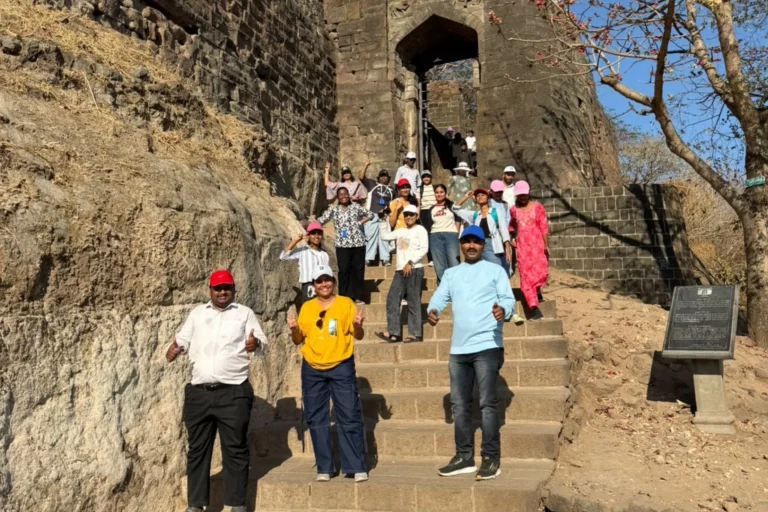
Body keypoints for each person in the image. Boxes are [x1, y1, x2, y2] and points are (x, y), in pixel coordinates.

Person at [166, 270, 267, 512]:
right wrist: (174, 349)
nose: (223, 292)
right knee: (198, 450)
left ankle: (236, 504)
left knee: (235, 448)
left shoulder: (245, 314)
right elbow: (181, 341)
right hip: (199, 393)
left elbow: (261, 342)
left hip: (233, 392)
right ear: (209, 290)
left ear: (234, 290)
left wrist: (255, 344)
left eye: (227, 288)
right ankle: (195, 505)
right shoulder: (197, 314)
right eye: (218, 288)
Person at [426, 226, 514, 481]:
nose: (472, 246)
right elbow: (440, 297)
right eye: (467, 242)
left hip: (487, 345)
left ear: (483, 244)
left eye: (476, 241)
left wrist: (503, 311)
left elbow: (507, 300)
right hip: (459, 349)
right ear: (461, 245)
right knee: (460, 405)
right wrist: (433, 309)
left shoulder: (495, 271)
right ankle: (464, 457)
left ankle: (490, 458)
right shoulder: (452, 274)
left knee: (487, 404)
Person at [287, 265, 368, 483]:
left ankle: (355, 465)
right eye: (320, 281)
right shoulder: (307, 307)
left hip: (341, 365)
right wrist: (294, 329)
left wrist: (358, 326)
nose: (324, 284)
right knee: (316, 418)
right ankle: (324, 467)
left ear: (333, 281)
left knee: (349, 414)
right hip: (312, 367)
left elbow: (357, 335)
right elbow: (298, 339)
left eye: (328, 280)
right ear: (313, 285)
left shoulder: (345, 304)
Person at [375, 204, 429, 343]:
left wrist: (410, 262)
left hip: (414, 268)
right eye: (406, 215)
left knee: (413, 300)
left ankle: (415, 333)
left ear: (417, 216)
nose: (409, 217)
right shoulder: (400, 231)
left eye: (411, 214)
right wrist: (382, 221)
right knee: (392, 299)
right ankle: (394, 333)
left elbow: (424, 249)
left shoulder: (420, 229)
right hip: (400, 270)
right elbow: (385, 236)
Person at [317, 188, 375, 305]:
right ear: (337, 197)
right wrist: (311, 228)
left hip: (358, 243)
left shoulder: (355, 207)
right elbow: (321, 220)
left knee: (358, 271)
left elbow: (371, 215)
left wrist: (360, 222)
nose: (343, 196)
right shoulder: (334, 210)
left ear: (349, 195)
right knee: (344, 270)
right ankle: (344, 297)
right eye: (341, 194)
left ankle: (358, 297)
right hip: (342, 245)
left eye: (345, 194)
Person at [509, 181, 550, 321]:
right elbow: (512, 226)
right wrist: (511, 238)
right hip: (523, 247)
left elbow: (543, 226)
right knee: (526, 277)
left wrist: (546, 244)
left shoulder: (538, 207)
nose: (522, 197)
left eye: (524, 194)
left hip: (537, 246)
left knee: (540, 272)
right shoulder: (514, 210)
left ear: (528, 193)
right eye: (519, 195)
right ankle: (533, 307)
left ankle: (537, 291)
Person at [453, 188, 512, 275]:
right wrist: (466, 196)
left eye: (483, 195)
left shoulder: (496, 212)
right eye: (478, 196)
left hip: (493, 245)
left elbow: (504, 231)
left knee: (495, 271)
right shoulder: (475, 215)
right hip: (479, 244)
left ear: (488, 197)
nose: (480, 197)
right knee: (482, 272)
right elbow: (455, 209)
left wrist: (508, 251)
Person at [280, 222, 331, 308]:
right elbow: (283, 257)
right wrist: (295, 241)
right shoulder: (303, 251)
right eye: (313, 233)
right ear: (308, 236)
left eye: (319, 233)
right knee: (310, 311)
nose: (316, 236)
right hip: (309, 285)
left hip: (323, 285)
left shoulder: (324, 254)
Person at [359, 164, 395, 267]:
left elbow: (393, 204)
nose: (383, 178)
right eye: (381, 176)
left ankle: (385, 259)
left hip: (384, 216)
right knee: (371, 236)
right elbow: (361, 177)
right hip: (372, 215)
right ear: (378, 178)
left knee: (384, 237)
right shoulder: (372, 184)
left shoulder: (392, 190)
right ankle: (368, 258)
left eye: (385, 176)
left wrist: (386, 210)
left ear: (389, 178)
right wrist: (366, 164)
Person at [427, 184, 461, 284]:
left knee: (454, 263)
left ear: (445, 193)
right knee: (439, 265)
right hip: (435, 236)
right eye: (437, 192)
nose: (439, 194)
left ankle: (455, 289)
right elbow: (429, 224)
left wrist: (457, 231)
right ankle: (443, 290)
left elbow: (458, 219)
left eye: (441, 192)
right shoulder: (431, 209)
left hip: (451, 235)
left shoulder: (451, 206)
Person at [417, 170, 437, 266]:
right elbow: (418, 203)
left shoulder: (435, 188)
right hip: (424, 212)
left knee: (435, 233)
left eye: (428, 176)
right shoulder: (419, 189)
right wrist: (418, 214)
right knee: (428, 235)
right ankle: (431, 258)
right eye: (424, 177)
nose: (426, 178)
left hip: (434, 210)